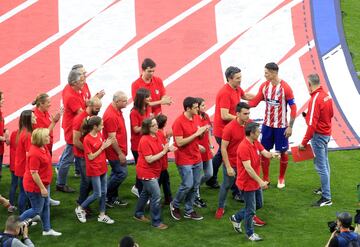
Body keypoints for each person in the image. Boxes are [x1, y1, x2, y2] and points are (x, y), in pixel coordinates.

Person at [57, 65, 105, 193]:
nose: (84, 80)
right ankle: (60, 183)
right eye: (82, 78)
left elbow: (87, 102)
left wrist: (94, 99)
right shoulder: (70, 96)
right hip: (73, 127)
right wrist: (96, 101)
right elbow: (82, 112)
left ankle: (72, 171)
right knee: (69, 155)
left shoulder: (80, 87)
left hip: (78, 125)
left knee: (69, 153)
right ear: (74, 82)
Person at [248, 62, 297, 189]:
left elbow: (293, 108)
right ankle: (266, 178)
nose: (265, 75)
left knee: (283, 151)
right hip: (267, 126)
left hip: (281, 126)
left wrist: (290, 126)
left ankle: (281, 177)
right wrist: (240, 103)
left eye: (266, 73)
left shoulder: (285, 88)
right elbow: (254, 102)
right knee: (264, 151)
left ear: (274, 73)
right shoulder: (264, 86)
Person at [229, 122, 279, 241]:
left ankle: (236, 217)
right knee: (251, 210)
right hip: (247, 183)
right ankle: (250, 234)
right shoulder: (243, 147)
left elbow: (264, 153)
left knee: (259, 204)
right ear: (251, 133)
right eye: (257, 131)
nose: (259, 132)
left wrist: (272, 155)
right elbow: (249, 169)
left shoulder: (255, 142)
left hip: (254, 182)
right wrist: (261, 181)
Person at [207, 66, 253, 189]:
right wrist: (241, 119)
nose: (240, 80)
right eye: (238, 78)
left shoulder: (236, 88)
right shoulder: (225, 93)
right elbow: (224, 115)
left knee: (221, 155)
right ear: (229, 78)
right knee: (229, 155)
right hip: (223, 131)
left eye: (240, 77)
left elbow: (245, 96)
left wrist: (262, 96)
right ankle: (234, 187)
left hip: (228, 130)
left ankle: (211, 178)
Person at [170, 97, 208, 221]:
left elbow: (197, 136)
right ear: (188, 108)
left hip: (196, 156)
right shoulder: (178, 122)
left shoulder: (196, 117)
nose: (198, 109)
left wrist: (202, 133)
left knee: (195, 185)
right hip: (184, 158)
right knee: (187, 184)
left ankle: (189, 209)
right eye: (196, 107)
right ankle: (174, 205)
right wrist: (196, 134)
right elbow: (179, 142)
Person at [299, 73, 334, 207]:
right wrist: (309, 116)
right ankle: (324, 189)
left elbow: (311, 125)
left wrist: (303, 142)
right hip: (326, 133)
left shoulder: (315, 99)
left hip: (318, 136)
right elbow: (330, 114)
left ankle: (326, 197)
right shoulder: (326, 95)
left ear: (309, 84)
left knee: (321, 166)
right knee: (325, 163)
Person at [134, 117, 175, 230]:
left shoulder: (157, 135)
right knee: (156, 196)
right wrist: (164, 152)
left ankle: (138, 213)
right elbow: (149, 159)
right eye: (153, 125)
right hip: (146, 172)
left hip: (154, 170)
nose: (157, 126)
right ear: (147, 128)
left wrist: (168, 148)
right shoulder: (144, 140)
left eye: (156, 124)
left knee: (145, 193)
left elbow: (163, 148)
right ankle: (156, 222)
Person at [20, 128, 62, 236]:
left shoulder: (43, 147)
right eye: (46, 136)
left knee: (46, 205)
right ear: (40, 139)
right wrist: (42, 188)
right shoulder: (34, 153)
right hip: (35, 187)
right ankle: (15, 223)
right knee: (36, 209)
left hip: (43, 184)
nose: (49, 137)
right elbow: (34, 173)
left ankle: (47, 230)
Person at [75, 116, 115, 224]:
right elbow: (90, 157)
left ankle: (102, 215)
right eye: (101, 125)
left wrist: (106, 144)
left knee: (104, 192)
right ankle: (80, 208)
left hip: (102, 167)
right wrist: (103, 147)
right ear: (95, 126)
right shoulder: (87, 139)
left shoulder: (99, 134)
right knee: (97, 193)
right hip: (94, 169)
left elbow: (101, 146)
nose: (103, 126)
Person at [215, 102, 250, 219]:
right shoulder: (229, 128)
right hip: (232, 163)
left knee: (248, 185)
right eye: (245, 114)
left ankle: (250, 208)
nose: (247, 116)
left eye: (248, 113)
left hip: (244, 163)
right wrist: (228, 166)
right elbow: (223, 148)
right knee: (226, 185)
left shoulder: (249, 125)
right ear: (237, 114)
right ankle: (220, 207)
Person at [32, 93, 62, 206]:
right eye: (48, 102)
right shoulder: (36, 116)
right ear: (41, 104)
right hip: (42, 148)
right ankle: (41, 199)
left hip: (47, 147)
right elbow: (42, 135)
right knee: (42, 174)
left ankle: (47, 198)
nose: (50, 104)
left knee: (47, 172)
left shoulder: (45, 112)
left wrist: (54, 119)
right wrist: (54, 122)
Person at [73, 97, 102, 210]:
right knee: (87, 181)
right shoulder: (79, 119)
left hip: (89, 154)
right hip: (82, 156)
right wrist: (89, 151)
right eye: (97, 108)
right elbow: (76, 141)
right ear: (89, 106)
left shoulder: (92, 117)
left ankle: (82, 201)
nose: (99, 110)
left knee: (89, 181)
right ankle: (82, 204)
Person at [103, 91, 129, 207]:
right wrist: (120, 154)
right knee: (121, 174)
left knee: (115, 173)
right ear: (117, 101)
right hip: (115, 152)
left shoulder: (116, 111)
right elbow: (112, 137)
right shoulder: (111, 115)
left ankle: (112, 197)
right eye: (124, 101)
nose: (126, 103)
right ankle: (106, 195)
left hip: (118, 150)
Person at [130, 88, 152, 198]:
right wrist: (147, 124)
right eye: (148, 97)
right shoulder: (134, 112)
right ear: (142, 99)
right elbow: (136, 129)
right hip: (137, 145)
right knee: (141, 169)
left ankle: (140, 188)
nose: (150, 98)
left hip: (146, 143)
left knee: (145, 169)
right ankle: (139, 189)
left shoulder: (147, 107)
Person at [194, 97, 214, 208]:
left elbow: (208, 133)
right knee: (197, 174)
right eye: (202, 105)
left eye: (204, 105)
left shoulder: (205, 116)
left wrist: (210, 145)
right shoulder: (195, 118)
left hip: (206, 149)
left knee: (209, 174)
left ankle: (194, 186)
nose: (204, 107)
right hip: (198, 149)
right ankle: (196, 196)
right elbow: (197, 134)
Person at [15, 110, 36, 213]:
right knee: (24, 192)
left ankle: (25, 213)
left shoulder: (22, 131)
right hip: (24, 167)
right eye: (33, 117)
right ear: (28, 120)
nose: (35, 117)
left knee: (23, 192)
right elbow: (29, 154)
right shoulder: (28, 135)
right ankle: (23, 216)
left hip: (21, 166)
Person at [156, 114, 173, 205]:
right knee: (163, 182)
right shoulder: (160, 133)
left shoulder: (158, 132)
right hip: (161, 164)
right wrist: (169, 138)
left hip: (161, 163)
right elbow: (164, 147)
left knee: (164, 181)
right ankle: (166, 199)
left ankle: (167, 198)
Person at [0, 91, 10, 181]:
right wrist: (4, 139)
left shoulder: (0, 113)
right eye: (2, 99)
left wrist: (5, 130)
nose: (3, 100)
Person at [8, 129, 18, 213]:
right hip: (21, 165)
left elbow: (10, 144)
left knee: (14, 184)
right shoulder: (27, 134)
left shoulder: (14, 133)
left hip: (13, 164)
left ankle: (10, 205)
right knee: (24, 187)